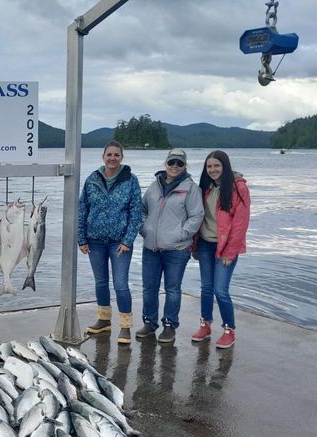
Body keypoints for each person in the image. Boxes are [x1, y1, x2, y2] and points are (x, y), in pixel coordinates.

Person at [136, 149, 204, 343]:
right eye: (171, 162)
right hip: (151, 248)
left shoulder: (190, 188)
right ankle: (149, 323)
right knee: (149, 288)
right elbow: (142, 209)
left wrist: (180, 235)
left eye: (179, 163)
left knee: (172, 289)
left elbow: (197, 216)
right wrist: (144, 229)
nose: (175, 166)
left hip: (177, 249)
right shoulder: (154, 185)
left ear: (185, 166)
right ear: (165, 163)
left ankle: (169, 325)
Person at [78, 140, 142, 344]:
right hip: (94, 240)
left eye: (116, 155)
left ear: (121, 158)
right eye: (109, 155)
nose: (112, 158)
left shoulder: (130, 180)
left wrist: (128, 240)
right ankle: (104, 320)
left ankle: (125, 326)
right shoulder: (91, 180)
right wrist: (82, 238)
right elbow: (82, 210)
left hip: (119, 242)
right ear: (103, 157)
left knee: (121, 284)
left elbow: (136, 213)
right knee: (100, 282)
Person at [190, 150, 250, 348]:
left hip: (226, 247)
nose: (213, 170)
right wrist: (193, 244)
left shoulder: (238, 188)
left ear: (225, 166)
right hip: (206, 244)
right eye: (209, 166)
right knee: (206, 288)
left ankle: (228, 329)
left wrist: (230, 252)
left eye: (217, 166)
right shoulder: (205, 188)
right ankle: (205, 324)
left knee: (220, 290)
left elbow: (240, 224)